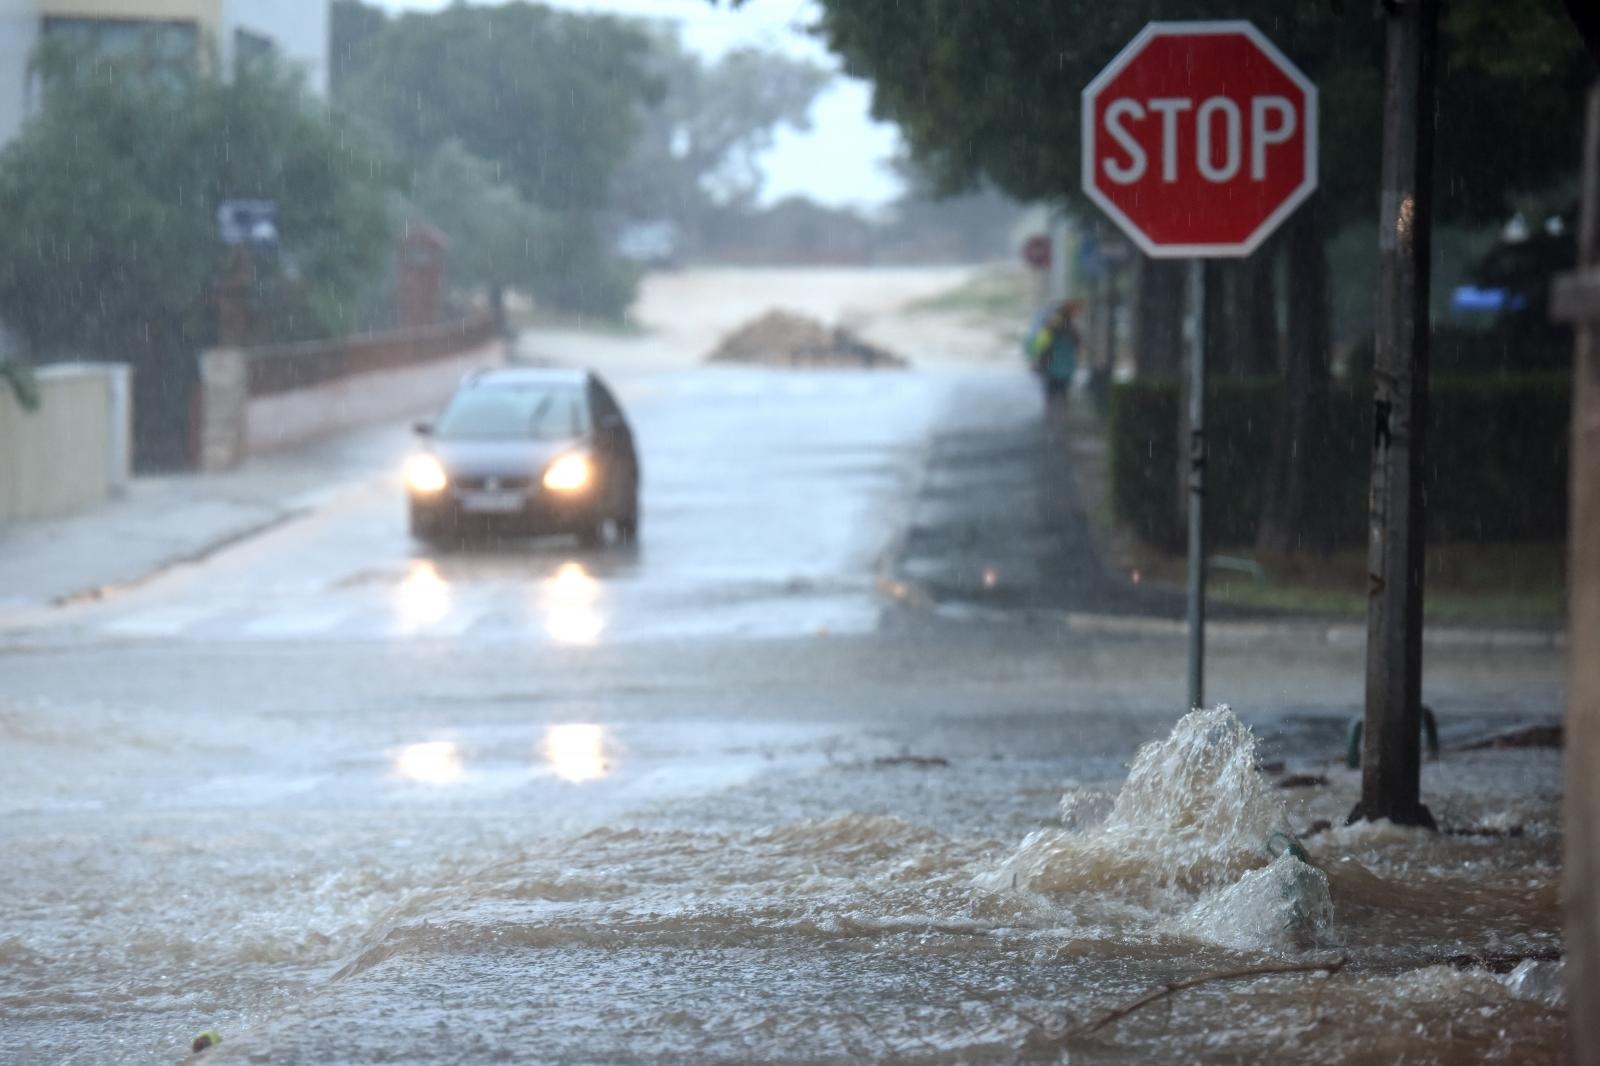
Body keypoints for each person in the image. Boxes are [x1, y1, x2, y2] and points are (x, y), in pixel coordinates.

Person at [1025, 301, 1079, 405]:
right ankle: (1062, 413)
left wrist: (1037, 364)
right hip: (1066, 370)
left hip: (1052, 370)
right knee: (1063, 397)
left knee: (1051, 398)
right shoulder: (1073, 332)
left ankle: (1054, 413)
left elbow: (1041, 350)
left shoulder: (1050, 331)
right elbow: (1077, 347)